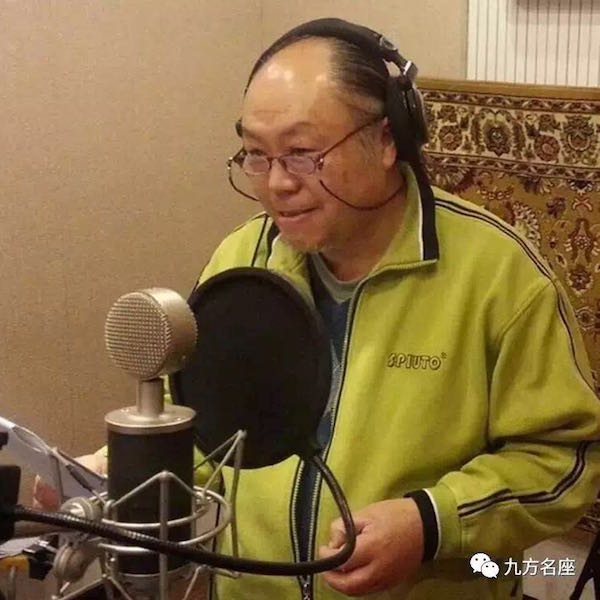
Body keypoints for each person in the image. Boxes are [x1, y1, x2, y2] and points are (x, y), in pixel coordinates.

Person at [36, 18, 600, 600]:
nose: (277, 184)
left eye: (303, 154)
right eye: (256, 155)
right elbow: (202, 426)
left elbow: (567, 461)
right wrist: (113, 475)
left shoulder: (500, 276)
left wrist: (430, 523)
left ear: (388, 139)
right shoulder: (241, 259)